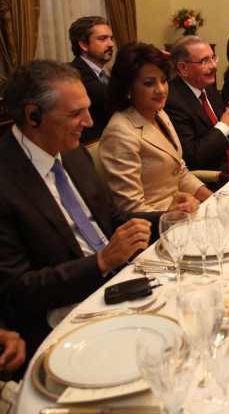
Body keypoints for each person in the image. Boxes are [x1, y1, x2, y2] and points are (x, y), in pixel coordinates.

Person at [0, 59, 196, 372]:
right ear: (33, 115)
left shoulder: (71, 151)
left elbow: (106, 218)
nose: (89, 122)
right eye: (75, 113)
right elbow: (15, 293)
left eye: (88, 110)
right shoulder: (7, 180)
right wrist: (101, 262)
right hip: (64, 315)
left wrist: (164, 218)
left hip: (122, 280)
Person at [100, 42, 213, 212]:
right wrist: (171, 215)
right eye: (149, 83)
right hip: (156, 222)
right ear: (127, 87)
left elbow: (180, 172)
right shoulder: (119, 133)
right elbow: (131, 208)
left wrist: (216, 200)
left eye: (163, 80)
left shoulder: (159, 113)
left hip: (182, 210)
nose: (161, 90)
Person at [165, 36, 229, 173]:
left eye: (213, 58)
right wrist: (224, 125)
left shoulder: (209, 89)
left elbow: (228, 138)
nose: (214, 66)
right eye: (205, 61)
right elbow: (192, 157)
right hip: (214, 178)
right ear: (183, 68)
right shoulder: (173, 102)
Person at [68, 16, 114, 143]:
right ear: (84, 44)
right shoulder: (73, 74)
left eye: (111, 38)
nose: (111, 44)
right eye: (103, 38)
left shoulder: (104, 76)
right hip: (91, 145)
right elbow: (110, 96)